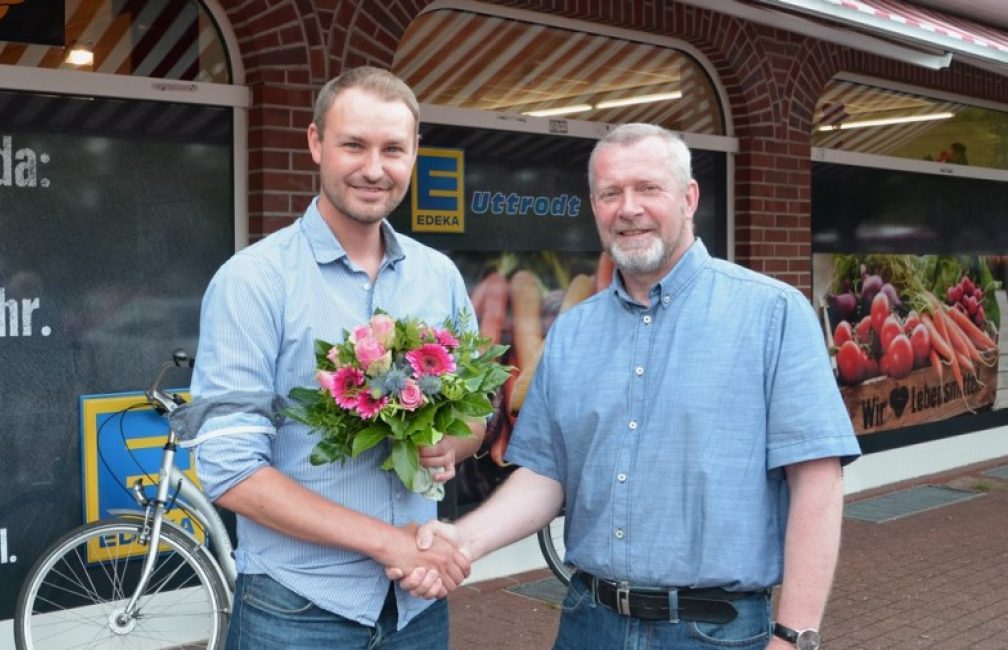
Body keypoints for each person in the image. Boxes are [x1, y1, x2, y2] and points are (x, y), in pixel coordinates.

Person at [395, 123, 862, 650]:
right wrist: (463, 539)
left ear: (688, 198)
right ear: (594, 207)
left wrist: (793, 634)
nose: (629, 208)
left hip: (715, 634)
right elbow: (548, 475)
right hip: (589, 623)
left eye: (648, 189)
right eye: (611, 193)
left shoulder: (773, 313)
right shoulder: (572, 330)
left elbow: (817, 481)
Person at [179, 66, 480, 649]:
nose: (374, 168)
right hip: (296, 610)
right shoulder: (254, 281)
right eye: (354, 145)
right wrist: (385, 540)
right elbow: (230, 471)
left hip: (417, 607)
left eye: (393, 148)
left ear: (415, 152)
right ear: (317, 143)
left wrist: (453, 442)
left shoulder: (438, 276)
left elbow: (475, 410)